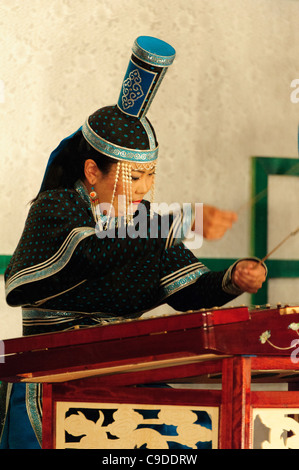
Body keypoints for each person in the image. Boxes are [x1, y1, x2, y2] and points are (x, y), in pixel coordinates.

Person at [0, 36, 266, 449]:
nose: (145, 188)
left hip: (122, 369)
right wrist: (182, 220)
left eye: (150, 175)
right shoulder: (57, 208)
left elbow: (184, 291)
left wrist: (233, 279)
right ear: (92, 172)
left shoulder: (145, 222)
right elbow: (88, 256)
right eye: (133, 176)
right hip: (54, 377)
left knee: (192, 440)